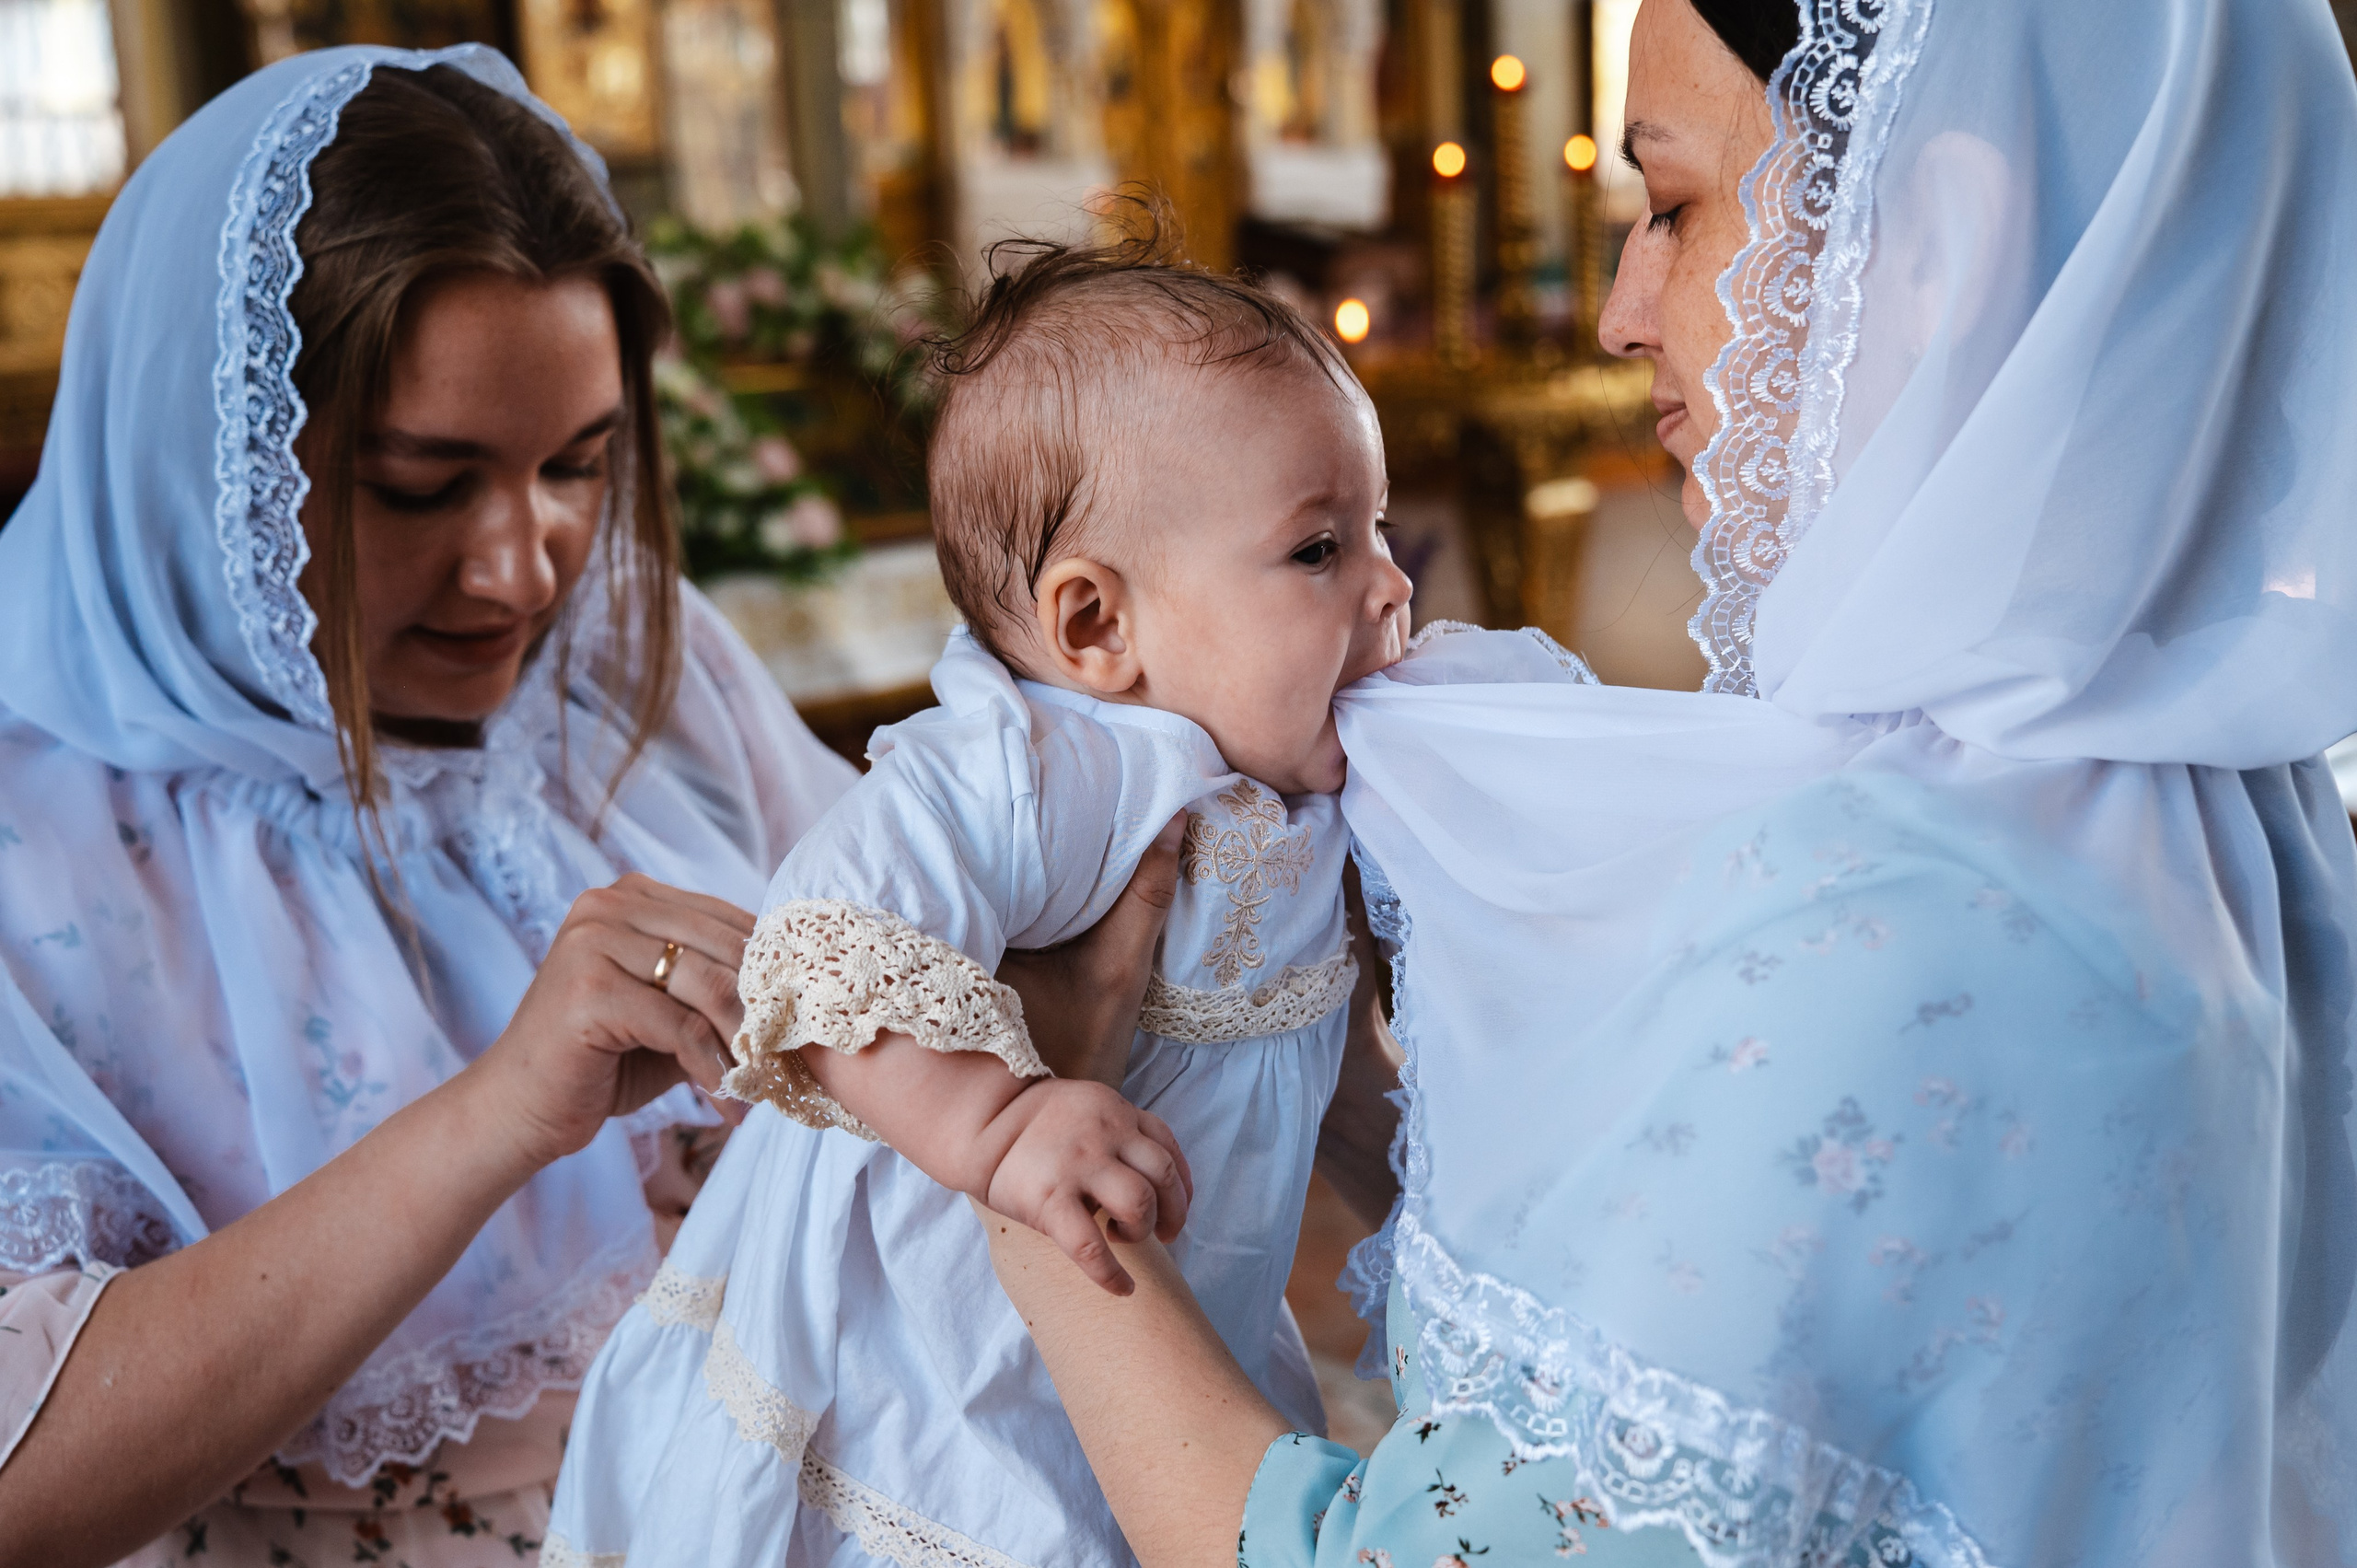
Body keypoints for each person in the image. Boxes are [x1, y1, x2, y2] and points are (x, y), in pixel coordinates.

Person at [983, 0, 2357, 1563]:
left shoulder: (1897, 927)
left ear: (1944, 240)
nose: (1627, 309)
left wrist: (1020, 1141)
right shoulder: (2246, 827)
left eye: (1676, 204)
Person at [0, 46, 875, 1567]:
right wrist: (492, 1118)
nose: (523, 570)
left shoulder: (624, 665)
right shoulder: (38, 836)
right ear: (218, 471)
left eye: (578, 468)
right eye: (420, 485)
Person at [545, 233, 1418, 1567]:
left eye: (1374, 533)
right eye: (1318, 549)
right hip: (935, 1365)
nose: (1389, 584)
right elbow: (829, 940)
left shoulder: (1295, 787)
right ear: (1092, 628)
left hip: (1173, 1322)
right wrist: (1001, 1122)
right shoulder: (1054, 766)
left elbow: (1337, 1075)